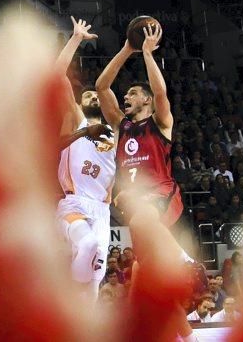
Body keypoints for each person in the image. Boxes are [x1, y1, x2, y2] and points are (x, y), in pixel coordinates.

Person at [96, 23, 199, 342]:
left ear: (147, 102)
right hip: (141, 214)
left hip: (162, 197)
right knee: (145, 284)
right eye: (125, 94)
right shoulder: (122, 126)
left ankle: (184, 259)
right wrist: (127, 48)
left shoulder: (161, 123)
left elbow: (160, 93)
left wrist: (146, 54)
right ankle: (189, 338)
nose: (126, 96)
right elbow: (101, 88)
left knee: (142, 213)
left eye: (132, 93)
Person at [55, 17, 116, 301]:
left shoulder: (117, 136)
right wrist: (76, 38)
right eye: (87, 94)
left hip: (102, 211)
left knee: (97, 277)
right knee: (88, 244)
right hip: (74, 202)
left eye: (96, 95)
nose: (92, 96)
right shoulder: (79, 121)